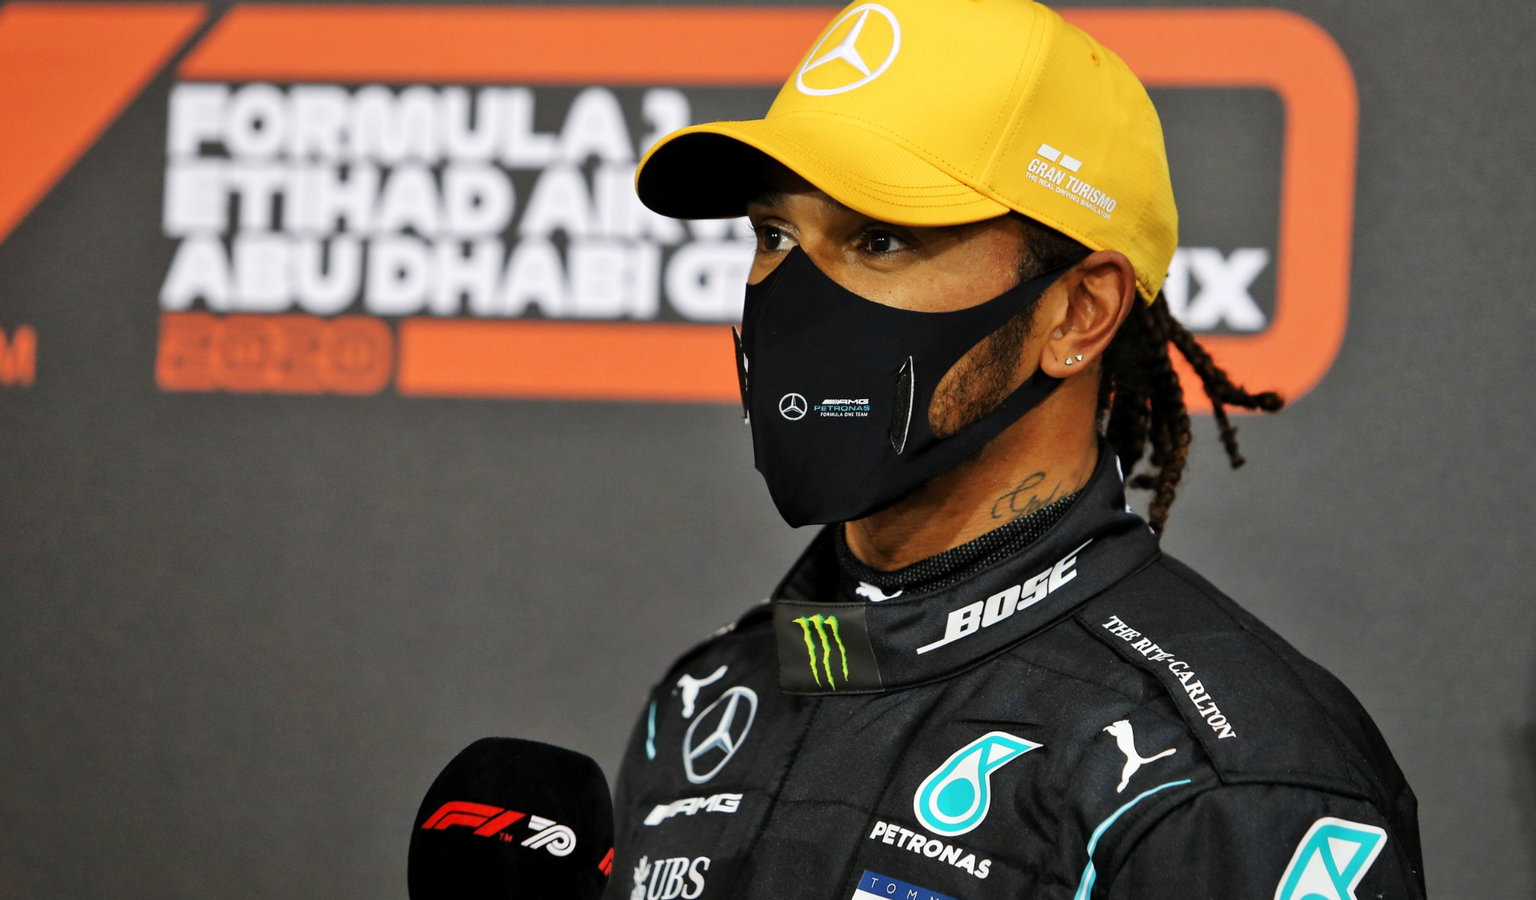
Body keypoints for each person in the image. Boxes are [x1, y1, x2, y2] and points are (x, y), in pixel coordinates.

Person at [607, 1, 1425, 897]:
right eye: (775, 236)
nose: (795, 296)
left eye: (881, 238)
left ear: (1078, 313)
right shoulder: (708, 701)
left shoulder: (1229, 783)